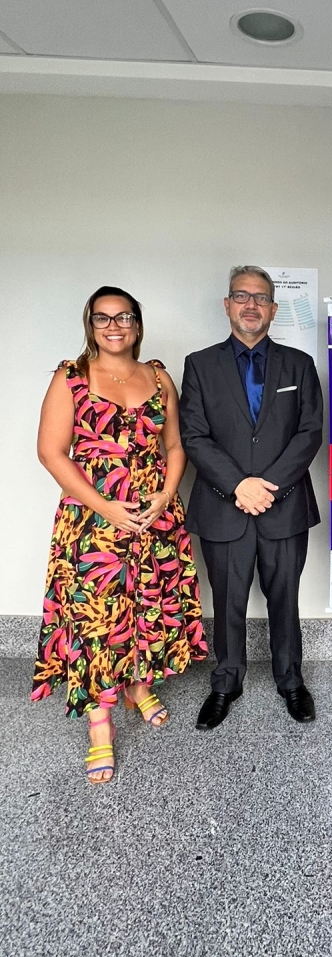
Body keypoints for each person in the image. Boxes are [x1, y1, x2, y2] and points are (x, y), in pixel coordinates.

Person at [33, 286, 207, 784]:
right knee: (98, 619)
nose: (114, 326)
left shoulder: (159, 377)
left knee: (148, 604)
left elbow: (175, 447)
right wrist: (105, 506)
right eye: (103, 318)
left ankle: (138, 685)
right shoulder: (71, 377)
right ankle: (100, 726)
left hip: (155, 518)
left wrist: (166, 495)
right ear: (90, 324)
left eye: (124, 316)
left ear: (137, 324)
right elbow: (51, 452)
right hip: (94, 521)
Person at [180, 265, 323, 729]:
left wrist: (269, 486)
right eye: (241, 296)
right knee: (227, 601)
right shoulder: (200, 364)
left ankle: (291, 681)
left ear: (273, 309)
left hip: (285, 506)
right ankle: (226, 683)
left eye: (260, 298)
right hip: (224, 506)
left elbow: (309, 433)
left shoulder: (299, 364)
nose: (251, 305)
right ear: (227, 305)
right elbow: (194, 435)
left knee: (285, 599)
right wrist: (239, 485)